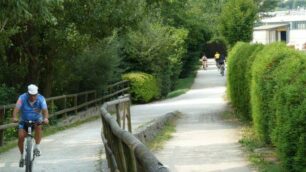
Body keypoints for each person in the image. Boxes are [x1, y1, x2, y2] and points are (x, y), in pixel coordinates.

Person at [12, 84, 49, 167]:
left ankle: (37, 147)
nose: (33, 97)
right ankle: (22, 156)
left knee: (39, 126)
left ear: (37, 93)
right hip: (24, 120)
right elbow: (16, 108)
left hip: (36, 120)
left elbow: (45, 110)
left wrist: (46, 118)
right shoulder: (22, 98)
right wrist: (14, 117)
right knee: (21, 137)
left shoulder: (41, 98)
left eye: (34, 95)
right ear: (27, 93)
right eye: (31, 95)